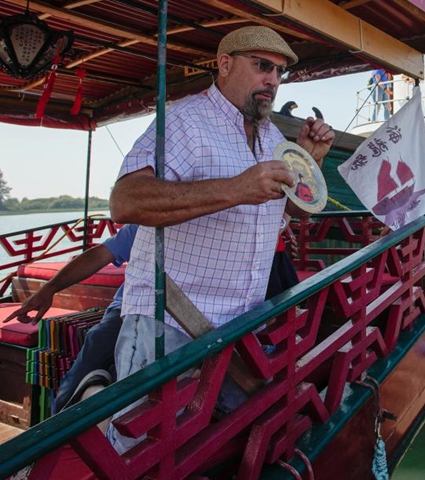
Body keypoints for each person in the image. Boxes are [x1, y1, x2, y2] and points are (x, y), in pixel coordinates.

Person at [107, 25, 334, 452]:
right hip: (171, 321)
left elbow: (293, 209)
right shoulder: (185, 121)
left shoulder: (270, 136)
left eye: (280, 72)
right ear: (225, 64)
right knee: (144, 452)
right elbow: (125, 201)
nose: (272, 79)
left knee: (229, 444)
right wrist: (236, 188)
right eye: (262, 66)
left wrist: (309, 161)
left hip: (241, 326)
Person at [3, 225, 138, 412]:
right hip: (129, 307)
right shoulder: (143, 225)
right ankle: (60, 420)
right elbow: (100, 254)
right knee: (98, 339)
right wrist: (49, 289)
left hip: (173, 317)